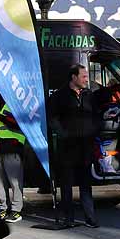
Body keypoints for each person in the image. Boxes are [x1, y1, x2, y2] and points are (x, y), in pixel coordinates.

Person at [40, 65, 99, 230]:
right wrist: (63, 134)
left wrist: (93, 130)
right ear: (73, 77)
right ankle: (68, 218)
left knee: (86, 185)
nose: (87, 79)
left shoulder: (90, 96)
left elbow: (97, 117)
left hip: (86, 147)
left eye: (87, 76)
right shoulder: (60, 96)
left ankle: (90, 218)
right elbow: (52, 118)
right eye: (83, 76)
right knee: (66, 185)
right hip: (67, 148)